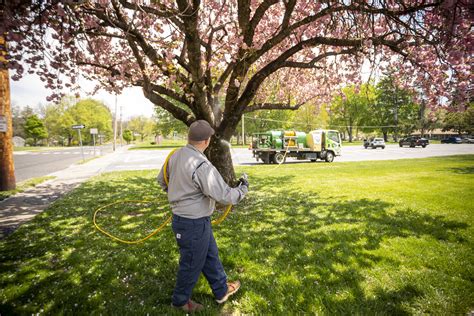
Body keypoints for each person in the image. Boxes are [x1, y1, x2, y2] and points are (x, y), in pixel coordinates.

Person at [157, 120, 249, 313]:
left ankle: (221, 290)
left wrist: (178, 193)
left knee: (210, 255)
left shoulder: (176, 155)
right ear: (206, 141)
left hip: (194, 221)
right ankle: (180, 301)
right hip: (192, 223)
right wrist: (243, 189)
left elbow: (162, 180)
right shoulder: (201, 165)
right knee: (191, 263)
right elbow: (225, 195)